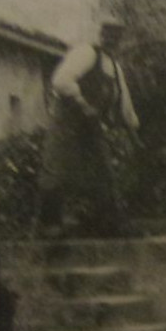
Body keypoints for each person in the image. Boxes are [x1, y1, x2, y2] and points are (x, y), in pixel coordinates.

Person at [36, 31, 140, 238]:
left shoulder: (116, 69)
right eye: (108, 34)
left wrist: (134, 128)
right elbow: (61, 81)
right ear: (101, 35)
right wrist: (83, 104)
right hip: (67, 122)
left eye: (117, 35)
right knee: (55, 168)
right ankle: (49, 227)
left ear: (122, 39)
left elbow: (124, 105)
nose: (112, 40)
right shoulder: (85, 53)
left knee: (104, 172)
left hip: (91, 125)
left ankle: (111, 225)